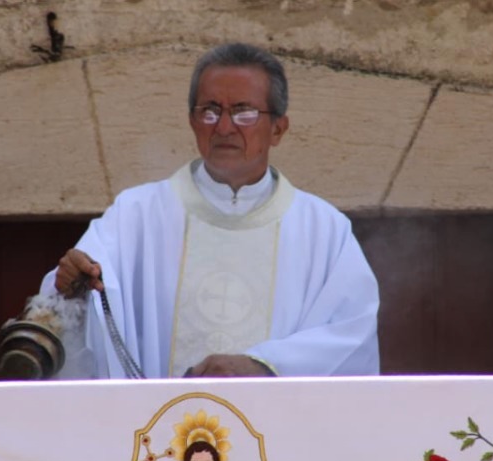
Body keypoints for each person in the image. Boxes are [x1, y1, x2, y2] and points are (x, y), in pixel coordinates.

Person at [40, 42, 379, 378]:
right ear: (192, 121)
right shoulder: (136, 216)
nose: (224, 127)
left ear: (278, 128)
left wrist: (264, 365)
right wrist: (71, 286)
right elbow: (72, 306)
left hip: (279, 430)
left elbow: (350, 334)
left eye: (244, 112)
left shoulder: (324, 231)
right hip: (156, 428)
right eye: (210, 111)